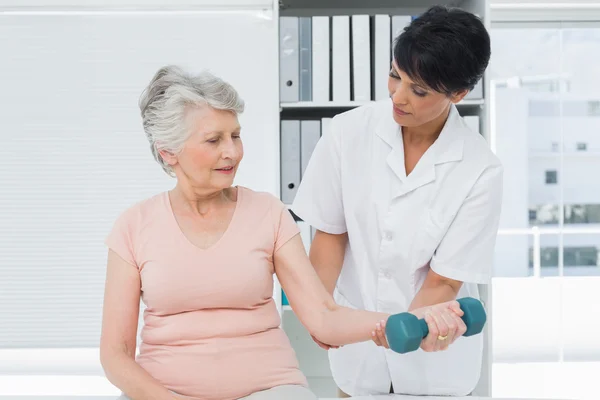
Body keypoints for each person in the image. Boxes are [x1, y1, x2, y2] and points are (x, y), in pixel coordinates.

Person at [99, 65, 465, 400]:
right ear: (168, 152)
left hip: (269, 388)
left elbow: (323, 315)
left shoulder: (267, 213)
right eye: (214, 141)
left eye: (236, 136)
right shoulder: (134, 226)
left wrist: (402, 321)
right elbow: (115, 355)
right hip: (164, 391)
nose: (232, 152)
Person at [291, 4, 503, 398]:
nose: (398, 96)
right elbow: (331, 237)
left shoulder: (480, 169)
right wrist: (319, 314)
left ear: (458, 93)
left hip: (434, 362)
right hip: (356, 358)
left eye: (418, 90)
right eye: (394, 76)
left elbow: (444, 279)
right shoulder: (346, 133)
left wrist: (409, 330)